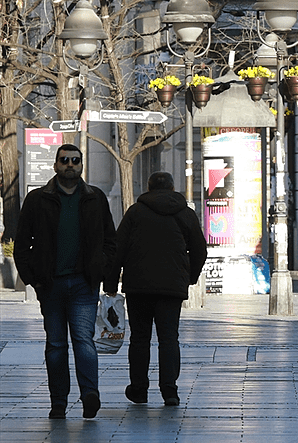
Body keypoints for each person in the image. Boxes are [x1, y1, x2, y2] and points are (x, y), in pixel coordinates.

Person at [14, 144, 116, 419]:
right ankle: (58, 401)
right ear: (56, 165)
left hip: (84, 283)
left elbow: (110, 240)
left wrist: (104, 271)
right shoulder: (37, 200)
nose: (70, 165)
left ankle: (89, 395)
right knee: (56, 345)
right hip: (50, 284)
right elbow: (22, 243)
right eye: (64, 160)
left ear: (82, 165)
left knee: (84, 340)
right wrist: (32, 279)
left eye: (75, 161)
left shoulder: (95, 197)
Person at [104, 172, 207, 406]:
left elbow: (118, 249)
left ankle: (139, 389)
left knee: (140, 339)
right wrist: (189, 277)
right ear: (172, 188)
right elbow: (200, 250)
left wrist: (110, 283)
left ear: (149, 188)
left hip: (138, 286)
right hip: (172, 287)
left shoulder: (135, 212)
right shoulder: (185, 213)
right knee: (169, 338)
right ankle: (169, 390)